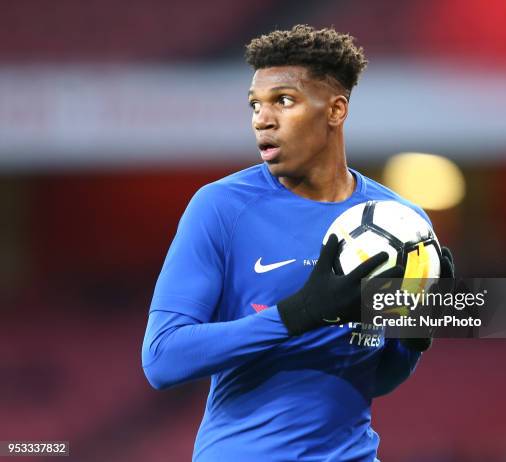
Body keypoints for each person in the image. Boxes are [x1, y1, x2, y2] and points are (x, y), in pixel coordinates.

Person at [142, 24, 454, 462]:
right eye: (255, 104)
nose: (261, 119)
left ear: (335, 110)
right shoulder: (221, 208)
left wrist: (412, 339)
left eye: (283, 101)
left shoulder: (401, 224)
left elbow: (373, 380)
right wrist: (299, 313)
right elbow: (162, 359)